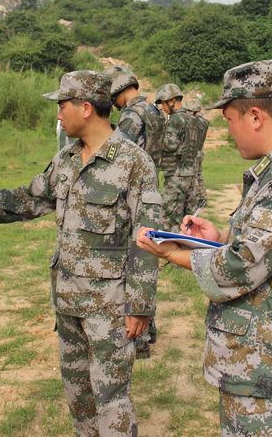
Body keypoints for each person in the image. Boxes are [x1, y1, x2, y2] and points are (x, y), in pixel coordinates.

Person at [0, 70, 161, 437]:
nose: (58, 114)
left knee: (111, 398)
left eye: (62, 106)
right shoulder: (68, 159)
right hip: (68, 300)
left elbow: (147, 239)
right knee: (79, 395)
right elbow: (32, 197)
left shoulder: (134, 164)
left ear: (85, 108)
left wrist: (140, 307)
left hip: (110, 305)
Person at [137, 58, 272, 437]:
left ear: (256, 116)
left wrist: (171, 252)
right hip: (271, 361)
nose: (230, 132)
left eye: (229, 121)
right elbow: (271, 248)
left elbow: (241, 266)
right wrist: (219, 240)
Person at [104, 64, 166, 359]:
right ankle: (149, 328)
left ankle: (138, 339)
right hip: (151, 187)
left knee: (131, 263)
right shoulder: (154, 111)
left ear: (118, 91)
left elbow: (116, 151)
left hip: (131, 193)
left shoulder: (131, 116)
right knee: (146, 258)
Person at [104, 65, 165, 169]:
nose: (114, 104)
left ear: (115, 90)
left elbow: (115, 153)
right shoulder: (151, 108)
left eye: (113, 100)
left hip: (135, 176)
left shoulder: (132, 114)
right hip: (150, 174)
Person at [154, 83, 193, 232]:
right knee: (182, 214)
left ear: (172, 101)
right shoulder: (189, 118)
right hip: (187, 173)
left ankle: (171, 248)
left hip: (176, 175)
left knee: (170, 217)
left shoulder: (176, 119)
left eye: (163, 103)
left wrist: (158, 132)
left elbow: (169, 145)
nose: (162, 107)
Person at [180, 96, 209, 213]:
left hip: (193, 153)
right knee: (198, 175)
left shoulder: (193, 122)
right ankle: (203, 197)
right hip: (200, 151)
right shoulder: (204, 122)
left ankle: (196, 198)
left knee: (193, 177)